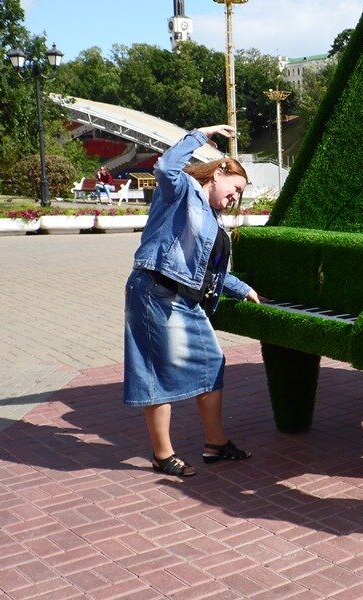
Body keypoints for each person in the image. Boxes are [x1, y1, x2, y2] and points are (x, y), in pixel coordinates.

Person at [124, 125, 261, 478]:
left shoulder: (212, 217)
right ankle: (162, 455)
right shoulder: (181, 190)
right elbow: (166, 166)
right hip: (156, 291)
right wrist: (200, 135)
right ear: (218, 173)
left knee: (211, 362)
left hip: (185, 299)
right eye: (235, 189)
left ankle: (215, 444)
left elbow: (208, 271)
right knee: (158, 372)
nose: (235, 198)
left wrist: (241, 288)